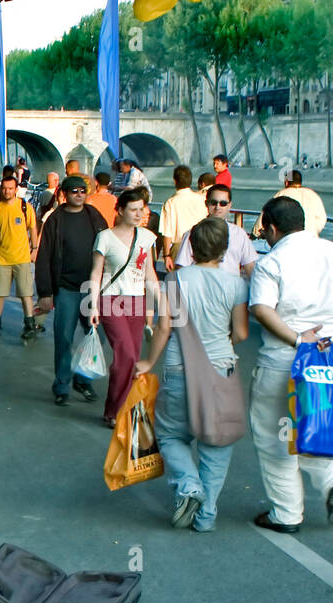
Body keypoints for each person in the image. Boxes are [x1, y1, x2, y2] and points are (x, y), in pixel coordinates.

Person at [133, 217, 248, 532]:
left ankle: (188, 485)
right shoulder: (237, 285)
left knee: (171, 435)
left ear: (191, 249)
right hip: (220, 370)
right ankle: (206, 516)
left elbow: (164, 327)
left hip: (179, 368)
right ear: (223, 251)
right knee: (217, 442)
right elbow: (240, 332)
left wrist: (147, 362)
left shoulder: (175, 280)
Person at [246, 195, 333, 532]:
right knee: (320, 426)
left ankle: (285, 514)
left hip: (283, 361)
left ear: (271, 227)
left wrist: (298, 339)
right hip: (330, 361)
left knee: (276, 436)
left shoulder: (272, 261)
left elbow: (262, 309)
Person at [34, 175, 109, 406]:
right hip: (66, 289)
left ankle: (83, 379)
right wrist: (46, 293)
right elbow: (44, 257)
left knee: (97, 334)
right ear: (64, 194)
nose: (79, 194)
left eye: (82, 190)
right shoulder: (55, 220)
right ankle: (61, 386)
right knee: (63, 339)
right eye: (74, 191)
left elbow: (108, 247)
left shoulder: (94, 216)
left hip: (92, 289)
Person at [87, 188, 159, 428]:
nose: (139, 214)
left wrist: (155, 306)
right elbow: (96, 274)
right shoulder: (105, 237)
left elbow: (150, 275)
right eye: (133, 210)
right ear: (120, 210)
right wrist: (93, 307)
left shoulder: (147, 238)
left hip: (137, 301)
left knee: (132, 358)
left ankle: (122, 407)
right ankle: (116, 411)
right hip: (112, 301)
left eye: (142, 209)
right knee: (126, 354)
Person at [0, 174, 39, 342]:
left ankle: (29, 324)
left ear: (16, 190)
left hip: (22, 257)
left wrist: (35, 249)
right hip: (2, 258)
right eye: (5, 188)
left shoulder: (25, 206)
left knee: (26, 294)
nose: (7, 191)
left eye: (10, 188)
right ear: (1, 189)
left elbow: (33, 228)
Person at [174, 184, 257, 279]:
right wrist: (176, 292)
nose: (218, 207)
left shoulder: (239, 234)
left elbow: (250, 266)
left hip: (231, 290)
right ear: (206, 204)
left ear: (229, 205)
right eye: (213, 203)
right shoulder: (193, 233)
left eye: (223, 203)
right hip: (201, 289)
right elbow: (181, 267)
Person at [159, 165, 207, 274]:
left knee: (173, 284)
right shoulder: (201, 200)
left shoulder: (171, 202)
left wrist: (166, 256)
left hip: (178, 247)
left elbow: (167, 232)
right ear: (190, 180)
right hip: (200, 246)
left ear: (175, 181)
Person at [254, 171, 329, 238]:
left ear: (286, 182)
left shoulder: (282, 194)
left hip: (288, 239)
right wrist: (313, 230)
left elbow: (265, 215)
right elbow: (322, 218)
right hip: (311, 238)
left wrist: (255, 234)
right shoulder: (313, 194)